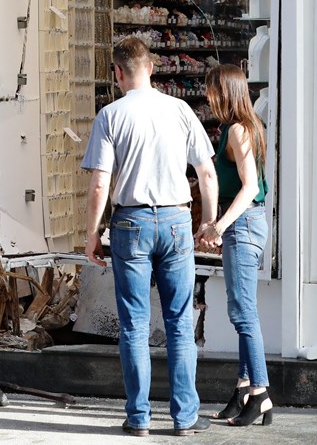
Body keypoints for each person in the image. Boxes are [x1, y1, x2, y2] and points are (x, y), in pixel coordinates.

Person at [82, 37, 218, 437]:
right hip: (176, 219)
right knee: (179, 322)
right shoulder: (180, 110)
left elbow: (99, 184)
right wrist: (209, 222)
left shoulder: (110, 115)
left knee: (134, 324)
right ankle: (185, 416)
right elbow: (206, 173)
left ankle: (139, 417)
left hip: (131, 223)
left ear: (117, 73)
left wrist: (92, 233)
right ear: (152, 68)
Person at [195, 64, 273, 427]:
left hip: (243, 226)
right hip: (245, 224)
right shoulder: (242, 126)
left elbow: (251, 186)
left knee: (243, 314)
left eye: (211, 90)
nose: (208, 97)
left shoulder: (239, 129)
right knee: (243, 311)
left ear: (224, 92)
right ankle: (243, 387)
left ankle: (260, 392)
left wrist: (220, 226)